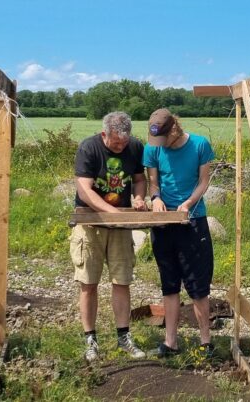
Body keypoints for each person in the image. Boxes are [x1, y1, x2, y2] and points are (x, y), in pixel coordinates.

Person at [72, 111, 148, 362]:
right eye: (116, 143)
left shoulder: (135, 146)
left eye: (124, 143)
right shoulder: (88, 148)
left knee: (122, 280)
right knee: (89, 283)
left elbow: (139, 179)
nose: (120, 147)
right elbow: (85, 191)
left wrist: (138, 198)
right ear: (104, 134)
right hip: (91, 225)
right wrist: (111, 211)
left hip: (120, 226)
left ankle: (123, 337)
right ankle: (90, 340)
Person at [143, 108, 216, 358]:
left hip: (192, 220)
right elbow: (154, 182)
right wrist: (156, 198)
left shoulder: (199, 145)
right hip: (163, 222)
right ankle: (170, 342)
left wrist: (188, 203)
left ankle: (205, 341)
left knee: (197, 285)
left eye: (165, 140)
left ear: (174, 129)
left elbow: (203, 180)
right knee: (169, 283)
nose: (160, 146)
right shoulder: (152, 148)